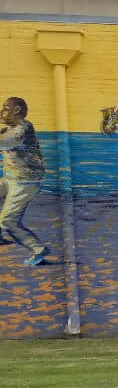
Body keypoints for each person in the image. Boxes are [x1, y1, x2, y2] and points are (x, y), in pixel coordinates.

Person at [0, 97, 49, 266]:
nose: (2, 112)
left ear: (17, 110)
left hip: (26, 182)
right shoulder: (10, 128)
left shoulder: (22, 129)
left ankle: (38, 249)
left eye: (5, 108)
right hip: (11, 178)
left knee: (8, 220)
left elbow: (6, 142)